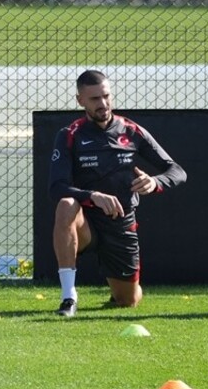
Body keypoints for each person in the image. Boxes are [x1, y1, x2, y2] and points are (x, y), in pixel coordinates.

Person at [48, 69, 186, 316]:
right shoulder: (70, 135)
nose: (103, 104)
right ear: (80, 101)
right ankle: (69, 298)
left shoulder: (131, 130)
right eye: (94, 99)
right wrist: (93, 196)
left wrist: (155, 182)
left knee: (128, 301)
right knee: (66, 205)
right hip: (86, 222)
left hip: (120, 222)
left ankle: (121, 288)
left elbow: (176, 170)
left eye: (106, 96)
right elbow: (56, 187)